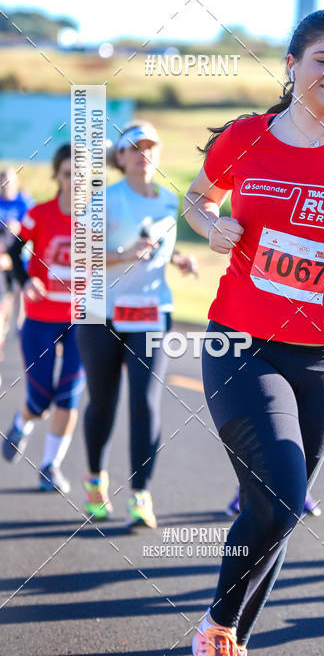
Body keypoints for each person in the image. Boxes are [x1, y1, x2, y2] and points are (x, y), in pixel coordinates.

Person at [184, 8, 324, 655]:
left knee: (275, 510)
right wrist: (209, 224)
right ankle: (217, 625)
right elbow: (198, 197)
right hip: (241, 345)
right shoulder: (247, 137)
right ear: (291, 65)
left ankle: (232, 637)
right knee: (280, 502)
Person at [76, 122, 196, 529]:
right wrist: (122, 254)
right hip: (101, 312)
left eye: (150, 146)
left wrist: (178, 259)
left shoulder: (168, 198)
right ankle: (94, 479)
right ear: (121, 156)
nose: (143, 153)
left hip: (150, 310)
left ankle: (141, 495)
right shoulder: (105, 199)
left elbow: (159, 240)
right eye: (134, 147)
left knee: (145, 402)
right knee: (103, 401)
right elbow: (83, 257)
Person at [2, 145, 84, 494]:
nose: (75, 181)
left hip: (84, 318)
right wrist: (24, 280)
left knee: (69, 395)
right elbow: (14, 250)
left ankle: (51, 466)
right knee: (40, 399)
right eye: (68, 174)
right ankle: (22, 422)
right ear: (57, 176)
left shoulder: (101, 218)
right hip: (40, 315)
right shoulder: (40, 214)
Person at [0, 167, 34, 352]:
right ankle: (3, 330)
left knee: (21, 290)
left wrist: (18, 227)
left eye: (10, 179)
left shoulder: (25, 202)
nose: (7, 183)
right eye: (3, 179)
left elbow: (34, 226)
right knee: (5, 296)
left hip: (22, 254)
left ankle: (20, 326)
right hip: (2, 256)